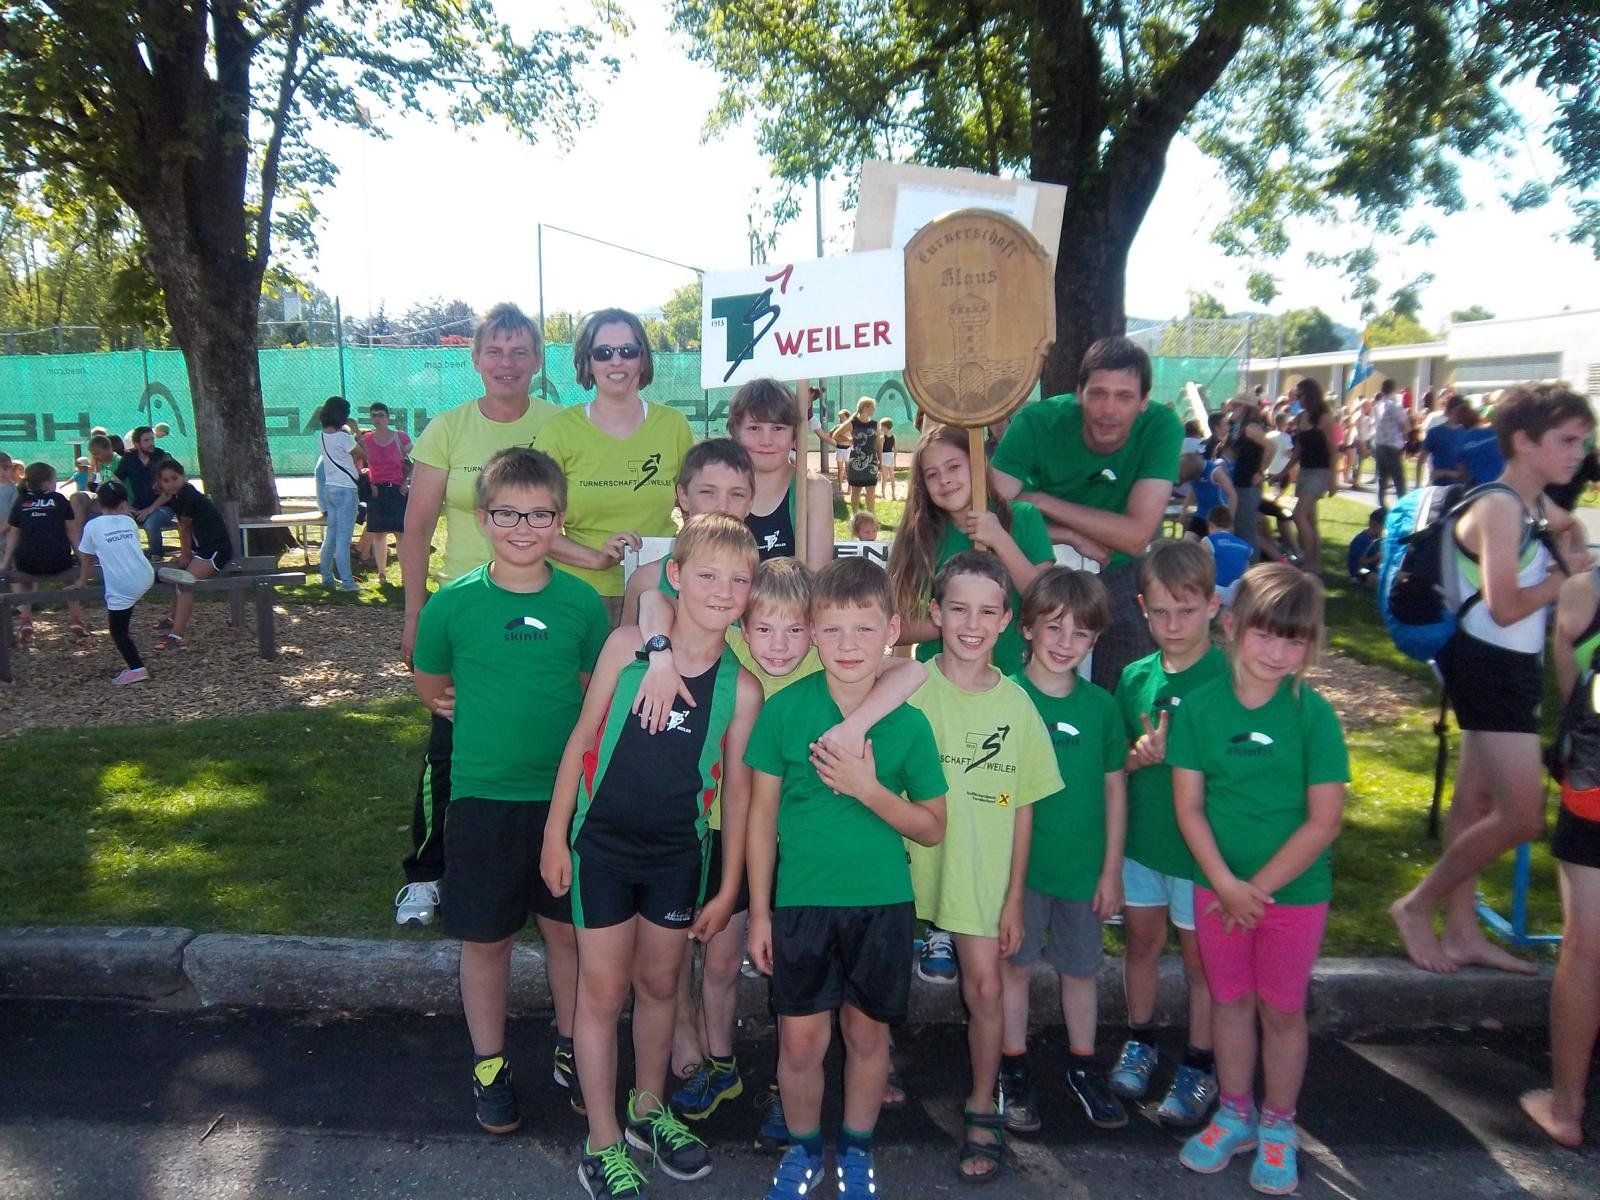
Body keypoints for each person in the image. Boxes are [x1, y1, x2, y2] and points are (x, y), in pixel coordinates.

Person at [542, 513, 764, 1198]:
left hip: (676, 855)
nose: (723, 591)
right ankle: (602, 1138)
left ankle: (647, 1108)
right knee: (603, 992)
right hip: (602, 848)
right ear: (676, 576)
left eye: (738, 580)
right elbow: (581, 739)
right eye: (708, 575)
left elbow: (739, 798)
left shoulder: (742, 689)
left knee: (663, 986)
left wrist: (727, 890)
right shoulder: (628, 649)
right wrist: (554, 836)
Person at [669, 557, 928, 1142]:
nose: (780, 645)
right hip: (727, 826)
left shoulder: (823, 656)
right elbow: (657, 601)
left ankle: (794, 1089)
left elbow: (911, 672)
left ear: (810, 630)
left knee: (807, 979)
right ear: (744, 628)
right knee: (722, 958)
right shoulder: (731, 657)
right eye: (765, 629)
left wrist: (854, 726)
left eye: (795, 630)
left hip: (804, 844)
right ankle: (721, 1063)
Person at [411, 447, 610, 1140]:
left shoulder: (581, 604)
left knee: (567, 933)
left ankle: (572, 1044)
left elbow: (593, 696)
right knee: (487, 939)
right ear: (481, 516)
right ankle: (490, 1064)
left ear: (560, 519)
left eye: (539, 515)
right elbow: (433, 688)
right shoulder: (452, 605)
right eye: (507, 514)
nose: (523, 528)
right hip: (483, 800)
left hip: (564, 802)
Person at [745, 557, 948, 1200]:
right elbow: (760, 819)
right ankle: (803, 1149)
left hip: (882, 904)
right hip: (802, 904)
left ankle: (857, 1150)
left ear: (892, 630)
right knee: (800, 1043)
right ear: (811, 633)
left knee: (866, 1034)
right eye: (832, 629)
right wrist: (759, 912)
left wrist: (868, 789)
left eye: (864, 629)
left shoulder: (908, 723)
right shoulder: (784, 711)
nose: (848, 644)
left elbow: (931, 827)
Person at [1390, 384, 1594, 974]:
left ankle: (1461, 931)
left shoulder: (1532, 502)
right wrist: (1566, 579)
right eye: (1567, 441)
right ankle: (1416, 905)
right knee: (1524, 816)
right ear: (1524, 442)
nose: (1579, 453)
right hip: (1489, 666)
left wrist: (1570, 549)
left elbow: (1571, 528)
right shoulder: (1501, 507)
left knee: (1475, 802)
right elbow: (1504, 607)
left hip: (1508, 665)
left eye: (1583, 442)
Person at [1170, 564, 1348, 1195]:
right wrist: (1225, 884)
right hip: (1217, 891)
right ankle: (1235, 1111)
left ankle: (1279, 1122)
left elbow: (1324, 820)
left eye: (1293, 640)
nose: (1277, 652)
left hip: (1292, 897)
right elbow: (1189, 807)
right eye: (1265, 634)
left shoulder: (1313, 716)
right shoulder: (1198, 709)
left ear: (1311, 644)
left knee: (1281, 1009)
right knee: (1229, 1002)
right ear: (1232, 626)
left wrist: (1257, 889)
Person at [398, 302, 562, 928]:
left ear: (537, 360)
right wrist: (415, 611)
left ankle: (545, 861)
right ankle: (426, 870)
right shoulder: (447, 429)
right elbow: (416, 528)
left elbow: (564, 520)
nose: (507, 362)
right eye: (495, 350)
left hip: (540, 604)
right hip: (466, 611)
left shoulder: (558, 426)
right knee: (449, 736)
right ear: (475, 359)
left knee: (539, 735)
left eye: (520, 351)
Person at [900, 553, 1062, 1177]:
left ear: (1005, 621)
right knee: (873, 977)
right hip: (905, 864)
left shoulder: (1017, 706)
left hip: (979, 870)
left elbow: (1024, 807)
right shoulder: (907, 686)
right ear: (936, 614)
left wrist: (1015, 897)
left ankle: (980, 1101)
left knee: (986, 987)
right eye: (959, 609)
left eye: (987, 612)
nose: (972, 624)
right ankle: (874, 1070)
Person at [995, 567, 1127, 1139]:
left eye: (1080, 633)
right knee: (1015, 969)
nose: (1065, 642)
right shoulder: (1004, 696)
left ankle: (1082, 1065)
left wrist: (1111, 869)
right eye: (1054, 627)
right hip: (1017, 873)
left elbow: (1115, 788)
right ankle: (1013, 1068)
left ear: (1095, 640)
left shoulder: (1101, 708)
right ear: (1027, 628)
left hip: (1081, 868)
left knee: (1080, 971)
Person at [1110, 541, 1226, 1128]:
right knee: (1141, 945)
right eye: (1160, 612)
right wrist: (1136, 757)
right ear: (1142, 608)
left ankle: (1200, 1063)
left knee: (1203, 963)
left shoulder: (1230, 678)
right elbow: (1114, 765)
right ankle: (1141, 1039)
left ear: (1213, 606)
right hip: (1142, 843)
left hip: (1203, 855)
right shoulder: (1134, 677)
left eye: (1186, 610)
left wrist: (1185, 753)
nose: (1173, 624)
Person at [992, 337, 1183, 690]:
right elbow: (991, 514)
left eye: (1124, 396)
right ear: (1079, 393)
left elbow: (1136, 536)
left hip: (1120, 567)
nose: (1108, 409)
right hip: (1044, 562)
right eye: (1098, 393)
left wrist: (1044, 502)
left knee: (1126, 684)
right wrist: (1069, 535)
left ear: (1144, 401)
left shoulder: (1161, 426)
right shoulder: (1037, 422)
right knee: (1029, 679)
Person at [536, 308, 693, 626]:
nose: (616, 361)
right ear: (587, 362)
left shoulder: (673, 425)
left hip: (660, 589)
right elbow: (534, 525)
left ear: (643, 359)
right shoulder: (559, 431)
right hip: (580, 594)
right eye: (603, 353)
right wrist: (597, 559)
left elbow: (698, 511)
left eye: (628, 351)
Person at [1522, 566, 1600, 1147]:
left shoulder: (1584, 592)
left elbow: (1575, 697)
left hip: (1596, 790)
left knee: (1585, 948)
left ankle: (1566, 1108)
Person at [889, 422, 1055, 677]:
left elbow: (1046, 605)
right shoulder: (920, 536)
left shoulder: (1023, 518)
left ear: (978, 463)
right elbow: (895, 628)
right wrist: (960, 622)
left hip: (1011, 675)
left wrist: (1000, 540)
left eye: (953, 467)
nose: (944, 479)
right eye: (932, 474)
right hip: (939, 680)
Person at [619, 439, 756, 627]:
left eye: (737, 494)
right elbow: (627, 642)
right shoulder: (648, 580)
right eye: (708, 492)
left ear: (750, 503)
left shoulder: (759, 584)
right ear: (683, 497)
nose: (723, 507)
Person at [726, 379, 834, 570]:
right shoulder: (720, 488)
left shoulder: (812, 489)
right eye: (754, 428)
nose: (766, 441)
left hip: (795, 590)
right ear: (736, 433)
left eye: (778, 428)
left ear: (794, 436)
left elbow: (816, 574)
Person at [75, 481, 155, 685]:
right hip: (146, 575)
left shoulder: (92, 526)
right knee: (136, 589)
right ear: (123, 504)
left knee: (118, 631)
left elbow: (87, 558)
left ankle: (137, 668)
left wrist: (82, 581)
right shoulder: (129, 522)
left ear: (99, 503)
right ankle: (161, 577)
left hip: (123, 586)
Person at [150, 459, 235, 650]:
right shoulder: (179, 496)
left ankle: (177, 636)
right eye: (166, 480)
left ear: (183, 477)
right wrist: (185, 554)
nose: (171, 483)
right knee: (177, 577)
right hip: (203, 549)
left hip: (215, 549)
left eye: (174, 478)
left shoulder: (188, 495)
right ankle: (173, 619)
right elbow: (186, 528)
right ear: (160, 483)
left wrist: (185, 554)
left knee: (184, 582)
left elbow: (185, 528)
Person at [3, 461, 86, 639]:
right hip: (58, 561)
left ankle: (26, 619)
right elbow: (72, 531)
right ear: (47, 483)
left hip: (27, 562)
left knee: (26, 580)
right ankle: (76, 618)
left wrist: (6, 563)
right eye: (55, 479)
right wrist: (82, 558)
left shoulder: (22, 501)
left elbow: (14, 534)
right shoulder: (59, 499)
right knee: (69, 578)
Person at [315, 396, 367, 592]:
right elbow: (364, 453)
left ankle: (326, 577)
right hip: (346, 490)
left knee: (331, 535)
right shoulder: (344, 438)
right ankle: (347, 582)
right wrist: (356, 430)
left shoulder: (322, 437)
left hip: (330, 489)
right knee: (343, 539)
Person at [359, 401, 411, 580]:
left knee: (400, 534)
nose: (377, 419)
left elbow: (418, 460)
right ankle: (382, 572)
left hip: (397, 489)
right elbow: (356, 460)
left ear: (388, 417)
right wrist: (369, 480)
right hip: (377, 491)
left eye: (381, 415)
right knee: (379, 534)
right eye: (374, 415)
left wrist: (406, 482)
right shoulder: (366, 439)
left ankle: (405, 574)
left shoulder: (400, 437)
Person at [1289, 377, 1336, 570]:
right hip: (1305, 470)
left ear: (1310, 394)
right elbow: (1298, 449)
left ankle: (1308, 563)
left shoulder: (1324, 418)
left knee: (1298, 515)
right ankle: (1315, 565)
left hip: (1320, 472)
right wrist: (1283, 471)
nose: (1297, 399)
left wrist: (1333, 480)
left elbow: (1333, 450)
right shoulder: (1301, 417)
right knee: (1310, 519)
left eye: (1299, 395)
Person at [113, 425, 173, 556]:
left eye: (152, 439)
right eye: (146, 440)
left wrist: (150, 509)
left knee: (151, 523)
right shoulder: (129, 459)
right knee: (120, 521)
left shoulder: (162, 457)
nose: (151, 443)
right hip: (138, 507)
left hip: (163, 506)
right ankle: (128, 556)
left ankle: (157, 556)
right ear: (136, 444)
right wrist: (124, 505)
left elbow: (169, 491)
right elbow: (115, 481)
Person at [1225, 394, 1270, 562]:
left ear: (1244, 408)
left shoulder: (1251, 427)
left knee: (1246, 528)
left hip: (1247, 483)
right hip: (1239, 480)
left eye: (1235, 406)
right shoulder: (1239, 427)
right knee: (1239, 525)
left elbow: (1270, 446)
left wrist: (1260, 471)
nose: (1232, 409)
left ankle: (1252, 565)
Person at [1178, 451, 1234, 541]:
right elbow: (1192, 491)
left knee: (1212, 545)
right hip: (1201, 514)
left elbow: (1232, 495)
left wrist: (1230, 520)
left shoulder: (1215, 472)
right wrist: (1184, 510)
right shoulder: (1193, 474)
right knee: (1188, 541)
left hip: (1217, 516)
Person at [1203, 507, 1253, 604]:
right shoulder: (1245, 545)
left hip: (1217, 590)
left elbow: (1199, 565)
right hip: (1238, 591)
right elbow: (1247, 571)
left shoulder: (1209, 541)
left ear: (1210, 525)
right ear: (1231, 526)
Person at [1373, 379, 1409, 509]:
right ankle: (1403, 505)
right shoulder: (1395, 406)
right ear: (1393, 389)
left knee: (1382, 478)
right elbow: (1405, 425)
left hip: (1379, 444)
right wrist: (1406, 434)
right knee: (1398, 478)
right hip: (1392, 445)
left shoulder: (1377, 405)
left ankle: (1382, 505)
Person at [844, 397, 881, 514]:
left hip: (871, 460)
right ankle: (855, 516)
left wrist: (880, 460)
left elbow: (878, 444)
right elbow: (835, 434)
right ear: (866, 407)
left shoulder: (875, 424)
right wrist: (850, 440)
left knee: (871, 490)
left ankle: (871, 516)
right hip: (856, 460)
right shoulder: (853, 423)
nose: (874, 410)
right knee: (856, 490)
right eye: (873, 407)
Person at [1346, 508, 1385, 588]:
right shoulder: (1362, 540)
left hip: (1374, 569)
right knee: (1382, 580)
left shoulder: (1379, 538)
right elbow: (1361, 562)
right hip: (1359, 570)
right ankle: (1357, 580)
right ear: (1376, 525)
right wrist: (1377, 557)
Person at [830, 409, 853, 488]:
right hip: (839, 449)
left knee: (848, 470)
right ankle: (840, 487)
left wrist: (845, 438)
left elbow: (853, 438)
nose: (840, 419)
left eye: (842, 417)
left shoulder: (850, 426)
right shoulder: (837, 426)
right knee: (840, 469)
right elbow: (831, 434)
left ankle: (849, 488)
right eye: (839, 417)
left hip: (848, 449)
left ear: (847, 417)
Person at [877, 418, 897, 501]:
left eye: (881, 426)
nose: (880, 428)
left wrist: (880, 461)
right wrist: (894, 461)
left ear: (885, 427)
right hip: (890, 456)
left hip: (885, 456)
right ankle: (893, 494)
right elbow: (895, 450)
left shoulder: (882, 437)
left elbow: (880, 450)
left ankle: (883, 494)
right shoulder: (893, 437)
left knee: (884, 477)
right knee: (892, 476)